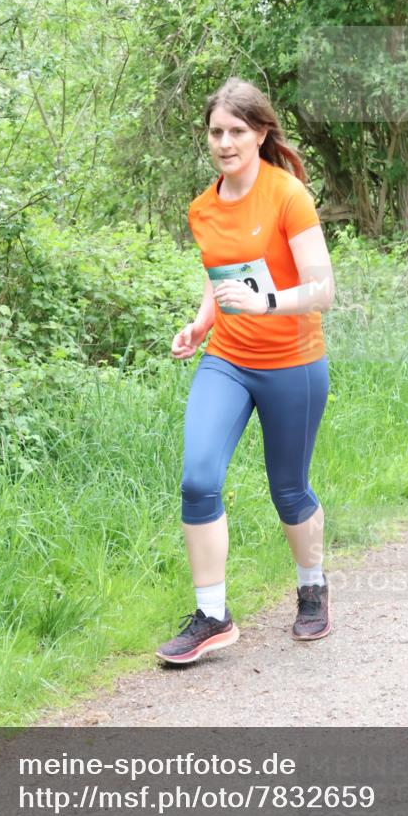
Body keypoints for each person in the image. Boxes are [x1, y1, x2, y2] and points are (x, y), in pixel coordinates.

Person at [156, 77, 336, 666]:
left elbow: (323, 289)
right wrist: (202, 322)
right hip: (228, 360)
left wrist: (268, 303)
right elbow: (220, 277)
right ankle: (212, 615)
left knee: (289, 488)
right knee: (198, 478)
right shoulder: (202, 207)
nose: (225, 142)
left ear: (260, 134)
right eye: (216, 132)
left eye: (237, 131)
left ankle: (312, 584)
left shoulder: (288, 196)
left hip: (293, 362)